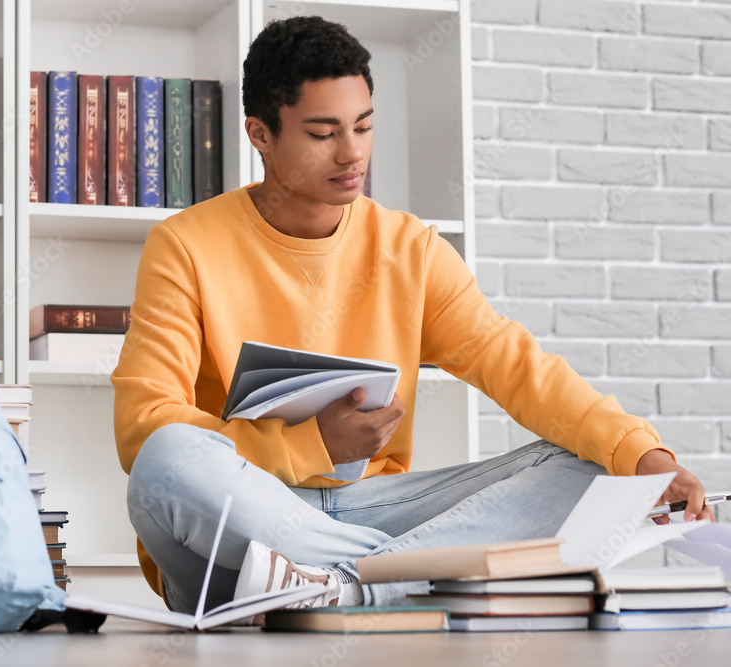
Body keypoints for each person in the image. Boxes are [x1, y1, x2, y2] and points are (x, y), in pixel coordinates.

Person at [110, 16, 711, 615]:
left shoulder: (411, 249)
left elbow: (517, 367)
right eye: (323, 133)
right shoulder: (186, 245)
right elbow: (144, 424)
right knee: (167, 463)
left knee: (598, 470)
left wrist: (646, 457)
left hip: (374, 504)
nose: (353, 154)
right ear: (260, 134)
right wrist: (310, 444)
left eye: (364, 126)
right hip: (241, 523)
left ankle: (341, 588)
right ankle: (407, 578)